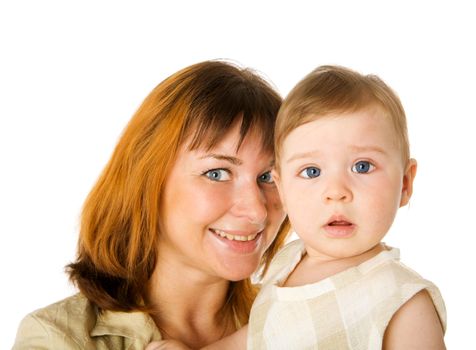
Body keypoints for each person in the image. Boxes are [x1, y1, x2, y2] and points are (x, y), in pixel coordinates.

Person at [150, 65, 447, 350]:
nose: (336, 192)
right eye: (312, 172)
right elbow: (259, 338)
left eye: (362, 166)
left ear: (405, 184)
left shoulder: (402, 301)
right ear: (282, 188)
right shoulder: (287, 263)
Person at [12, 60, 290, 349]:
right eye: (216, 173)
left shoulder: (301, 324)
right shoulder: (56, 338)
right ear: (146, 181)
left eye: (268, 176)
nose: (256, 210)